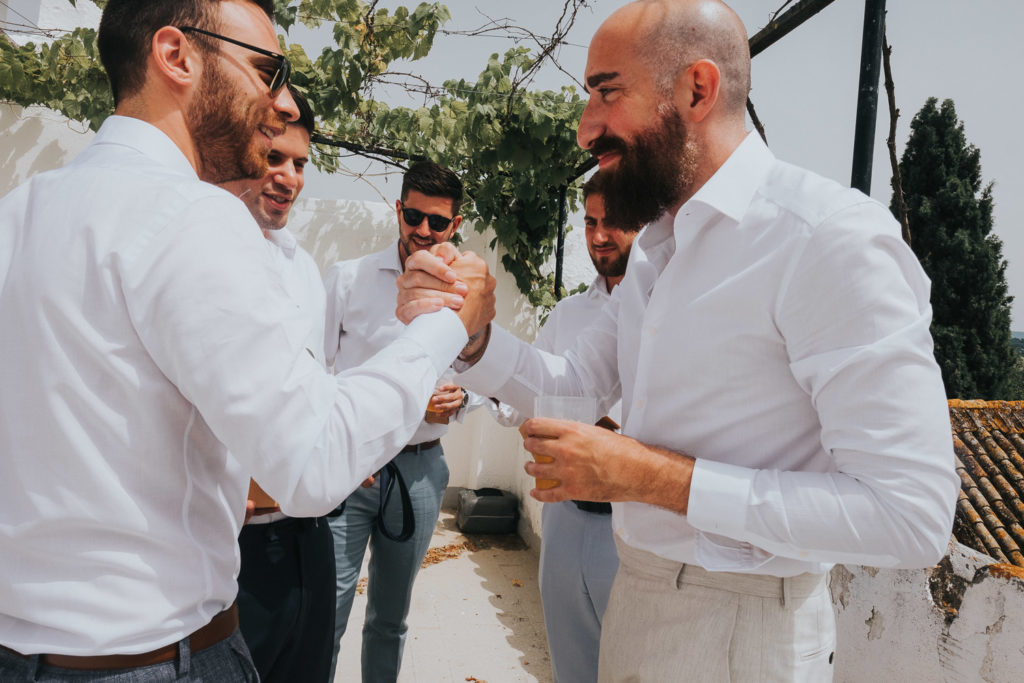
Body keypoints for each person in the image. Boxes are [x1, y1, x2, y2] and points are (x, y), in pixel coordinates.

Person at [397, 0, 959, 680]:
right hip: (641, 596)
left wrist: (651, 478)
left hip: (744, 628)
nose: (585, 130)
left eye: (606, 93)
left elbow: (911, 514)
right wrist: (476, 331)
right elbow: (569, 387)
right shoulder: (659, 247)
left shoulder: (826, 241)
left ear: (697, 89)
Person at [0, 1, 493, 680]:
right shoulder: (194, 215)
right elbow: (314, 459)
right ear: (176, 56)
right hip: (159, 658)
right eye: (266, 68)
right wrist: (448, 323)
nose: (275, 101)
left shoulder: (19, 212)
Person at [323, 160, 479, 682]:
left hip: (419, 473)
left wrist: (462, 397)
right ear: (399, 210)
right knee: (329, 612)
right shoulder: (348, 279)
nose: (423, 230)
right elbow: (315, 373)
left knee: (391, 618)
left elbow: (480, 378)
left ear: (454, 225)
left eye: (437, 222)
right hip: (352, 469)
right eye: (414, 215)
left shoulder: (462, 299)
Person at [495, 172, 638, 683]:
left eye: (615, 222)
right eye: (591, 221)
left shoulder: (666, 311)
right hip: (564, 521)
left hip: (632, 527)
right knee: (570, 667)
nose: (600, 235)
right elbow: (529, 399)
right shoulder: (569, 314)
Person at [217, 86, 336, 683]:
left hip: (308, 535)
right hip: (231, 544)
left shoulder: (303, 267)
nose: (289, 177)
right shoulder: (203, 254)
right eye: (275, 159)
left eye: (301, 164)